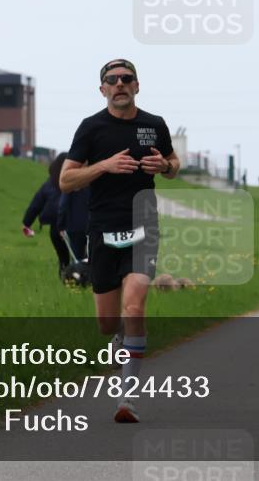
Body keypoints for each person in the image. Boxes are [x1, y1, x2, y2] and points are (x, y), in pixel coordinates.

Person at [59, 58, 179, 423]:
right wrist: (104, 166)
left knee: (135, 308)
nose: (120, 84)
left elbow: (173, 163)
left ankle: (127, 398)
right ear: (103, 90)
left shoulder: (154, 125)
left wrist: (167, 167)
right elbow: (66, 180)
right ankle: (118, 341)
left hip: (144, 227)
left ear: (137, 85)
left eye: (127, 78)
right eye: (112, 80)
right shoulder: (91, 128)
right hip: (103, 231)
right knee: (108, 324)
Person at [22, 153, 69, 274]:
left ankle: (67, 281)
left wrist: (27, 223)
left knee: (63, 258)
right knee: (81, 257)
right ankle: (81, 281)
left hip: (55, 228)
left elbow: (36, 204)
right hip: (74, 226)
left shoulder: (49, 184)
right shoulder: (78, 183)